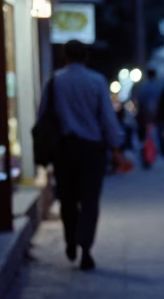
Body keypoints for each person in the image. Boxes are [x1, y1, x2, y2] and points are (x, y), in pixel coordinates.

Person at [35, 39, 123, 271]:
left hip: (64, 149)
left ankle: (70, 241)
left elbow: (42, 115)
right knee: (90, 201)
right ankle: (86, 248)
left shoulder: (54, 82)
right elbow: (107, 118)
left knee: (67, 199)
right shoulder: (96, 81)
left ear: (64, 57)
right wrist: (116, 147)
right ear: (86, 57)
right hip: (91, 149)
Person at [133, 68, 162, 169]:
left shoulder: (143, 87)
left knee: (144, 139)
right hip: (154, 118)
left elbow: (139, 102)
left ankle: (146, 157)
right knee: (153, 138)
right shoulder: (158, 87)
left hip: (144, 117)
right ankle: (149, 156)